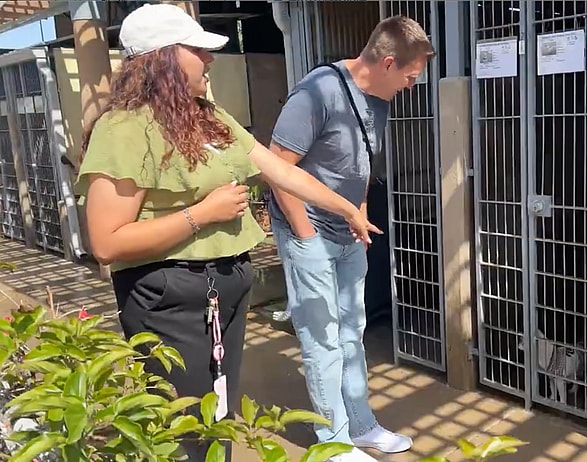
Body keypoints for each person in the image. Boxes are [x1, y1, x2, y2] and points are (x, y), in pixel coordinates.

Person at [74, 4, 380, 461]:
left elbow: (279, 170)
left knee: (219, 412)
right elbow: (106, 242)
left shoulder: (206, 116)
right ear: (163, 58)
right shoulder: (122, 130)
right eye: (197, 50)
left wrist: (346, 208)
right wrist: (201, 214)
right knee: (185, 423)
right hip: (170, 298)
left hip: (226, 287)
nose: (210, 58)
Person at [267, 15, 435, 462]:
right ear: (388, 63)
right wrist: (304, 234)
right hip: (309, 232)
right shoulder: (317, 92)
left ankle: (360, 426)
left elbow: (360, 163)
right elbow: (277, 169)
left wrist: (358, 213)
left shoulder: (380, 99)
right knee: (321, 339)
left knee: (350, 334)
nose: (412, 86)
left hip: (348, 232)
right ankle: (334, 441)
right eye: (411, 76)